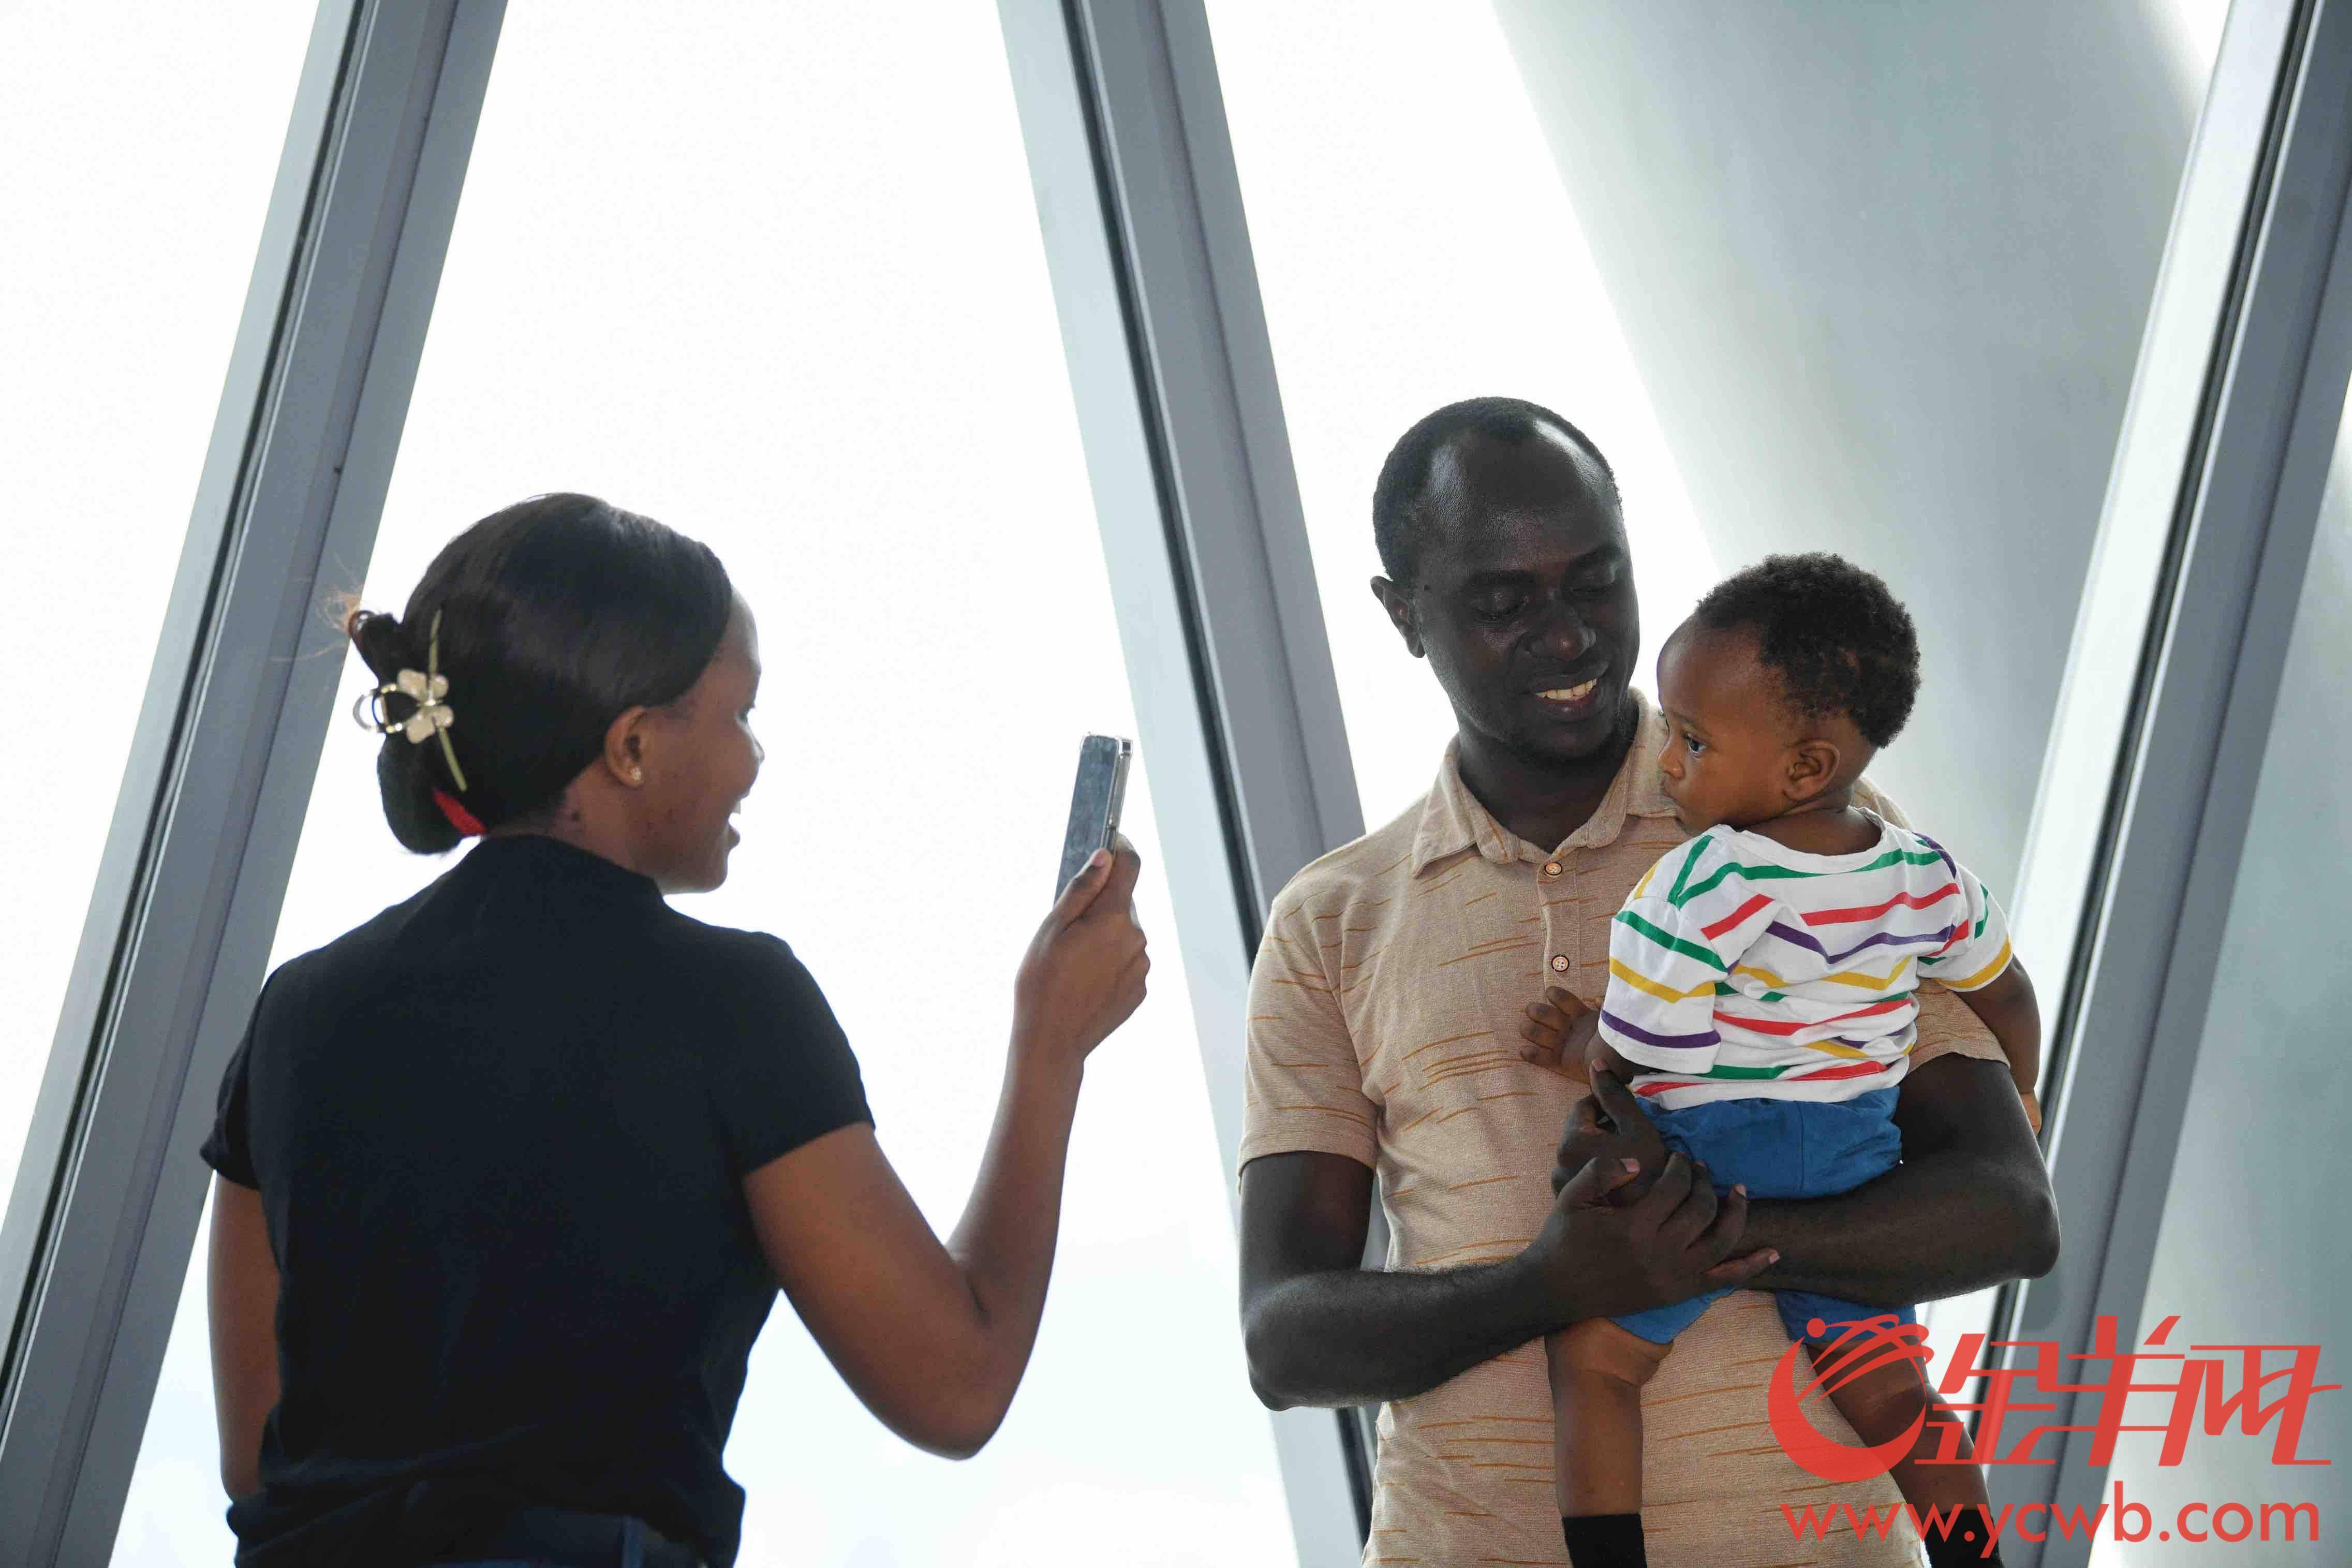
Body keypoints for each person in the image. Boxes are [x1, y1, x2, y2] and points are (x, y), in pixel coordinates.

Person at [204, 494, 1150, 1568]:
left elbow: (259, 1456)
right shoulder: (731, 1003)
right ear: (632, 745)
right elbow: (956, 1384)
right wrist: (1051, 1045)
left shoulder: (299, 1011)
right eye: (739, 714)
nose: (755, 758)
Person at [1237, 398, 2059, 1566]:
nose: (1567, 635)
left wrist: (1696, 1241)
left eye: (1594, 581)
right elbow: (1284, 1339)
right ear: (1402, 614)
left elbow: (2007, 1212)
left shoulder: (1818, 835)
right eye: (1504, 601)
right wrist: (1545, 1283)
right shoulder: (1333, 921)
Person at [1518, 553, 2041, 1568]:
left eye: (1693, 740)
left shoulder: (1703, 880)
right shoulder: (1922, 871)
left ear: (1802, 767)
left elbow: (1647, 1055)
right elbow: (2004, 993)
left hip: (1716, 1158)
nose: (1667, 762)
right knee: (1892, 1390)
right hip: (1852, 1155)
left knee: (1593, 1363)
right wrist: (2019, 1085)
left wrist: (1582, 1044)